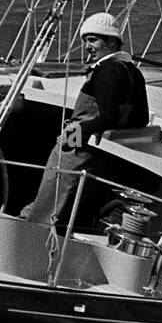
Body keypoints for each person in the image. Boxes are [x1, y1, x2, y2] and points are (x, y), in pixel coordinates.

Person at [25, 12, 149, 227]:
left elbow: (106, 117)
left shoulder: (105, 70)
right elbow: (141, 118)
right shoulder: (133, 72)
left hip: (79, 149)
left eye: (93, 40)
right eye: (85, 41)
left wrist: (71, 136)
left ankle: (31, 231)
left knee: (51, 198)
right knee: (72, 201)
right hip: (101, 153)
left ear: (112, 41)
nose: (88, 46)